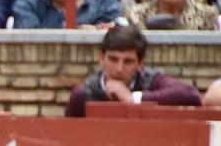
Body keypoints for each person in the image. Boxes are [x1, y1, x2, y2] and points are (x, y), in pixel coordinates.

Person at [65, 24, 203, 114]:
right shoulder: (84, 94)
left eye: (128, 61)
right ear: (101, 58)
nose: (119, 69)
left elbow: (191, 95)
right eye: (113, 59)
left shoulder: (151, 82)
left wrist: (132, 98)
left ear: (140, 63)